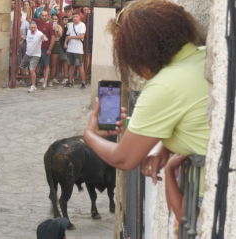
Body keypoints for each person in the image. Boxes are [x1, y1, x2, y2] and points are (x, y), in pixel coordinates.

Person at [82, 0, 209, 233]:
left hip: (202, 203)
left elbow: (124, 159)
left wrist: (89, 134)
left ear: (139, 51)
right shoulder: (204, 57)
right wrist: (165, 149)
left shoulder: (164, 86)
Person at [19, 21, 48, 93]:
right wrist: (22, 36)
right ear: (29, 28)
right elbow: (28, 37)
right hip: (28, 53)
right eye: (31, 27)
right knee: (21, 67)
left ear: (36, 27)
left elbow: (42, 36)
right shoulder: (28, 32)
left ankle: (33, 86)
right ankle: (27, 79)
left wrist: (44, 37)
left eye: (34, 27)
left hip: (35, 55)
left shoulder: (39, 33)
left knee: (31, 69)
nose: (33, 29)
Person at [31, 10, 55, 90]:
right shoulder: (37, 22)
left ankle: (45, 82)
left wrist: (50, 49)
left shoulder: (50, 25)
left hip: (45, 48)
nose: (44, 17)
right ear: (40, 15)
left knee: (46, 65)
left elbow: (53, 38)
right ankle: (36, 79)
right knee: (36, 65)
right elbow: (29, 18)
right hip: (37, 48)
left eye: (45, 15)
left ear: (48, 16)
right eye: (42, 15)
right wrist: (31, 6)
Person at [64, 11, 86, 89]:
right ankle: (70, 81)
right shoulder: (70, 25)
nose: (75, 18)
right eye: (74, 16)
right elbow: (67, 35)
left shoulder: (82, 25)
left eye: (76, 16)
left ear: (79, 17)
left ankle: (83, 83)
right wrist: (65, 43)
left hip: (78, 49)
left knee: (79, 66)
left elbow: (81, 36)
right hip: (70, 48)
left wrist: (71, 37)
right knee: (70, 65)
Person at [49, 13, 62, 86]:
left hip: (56, 44)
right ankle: (45, 77)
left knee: (53, 63)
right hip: (48, 43)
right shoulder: (48, 24)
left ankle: (51, 78)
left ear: (58, 20)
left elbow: (60, 35)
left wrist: (57, 30)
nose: (54, 20)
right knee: (46, 63)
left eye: (55, 19)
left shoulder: (59, 26)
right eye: (53, 18)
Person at [58, 16, 69, 84]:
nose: (65, 21)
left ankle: (67, 76)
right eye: (63, 20)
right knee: (63, 60)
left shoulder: (70, 26)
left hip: (68, 44)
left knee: (66, 61)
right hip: (62, 44)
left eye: (66, 19)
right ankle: (64, 75)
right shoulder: (61, 27)